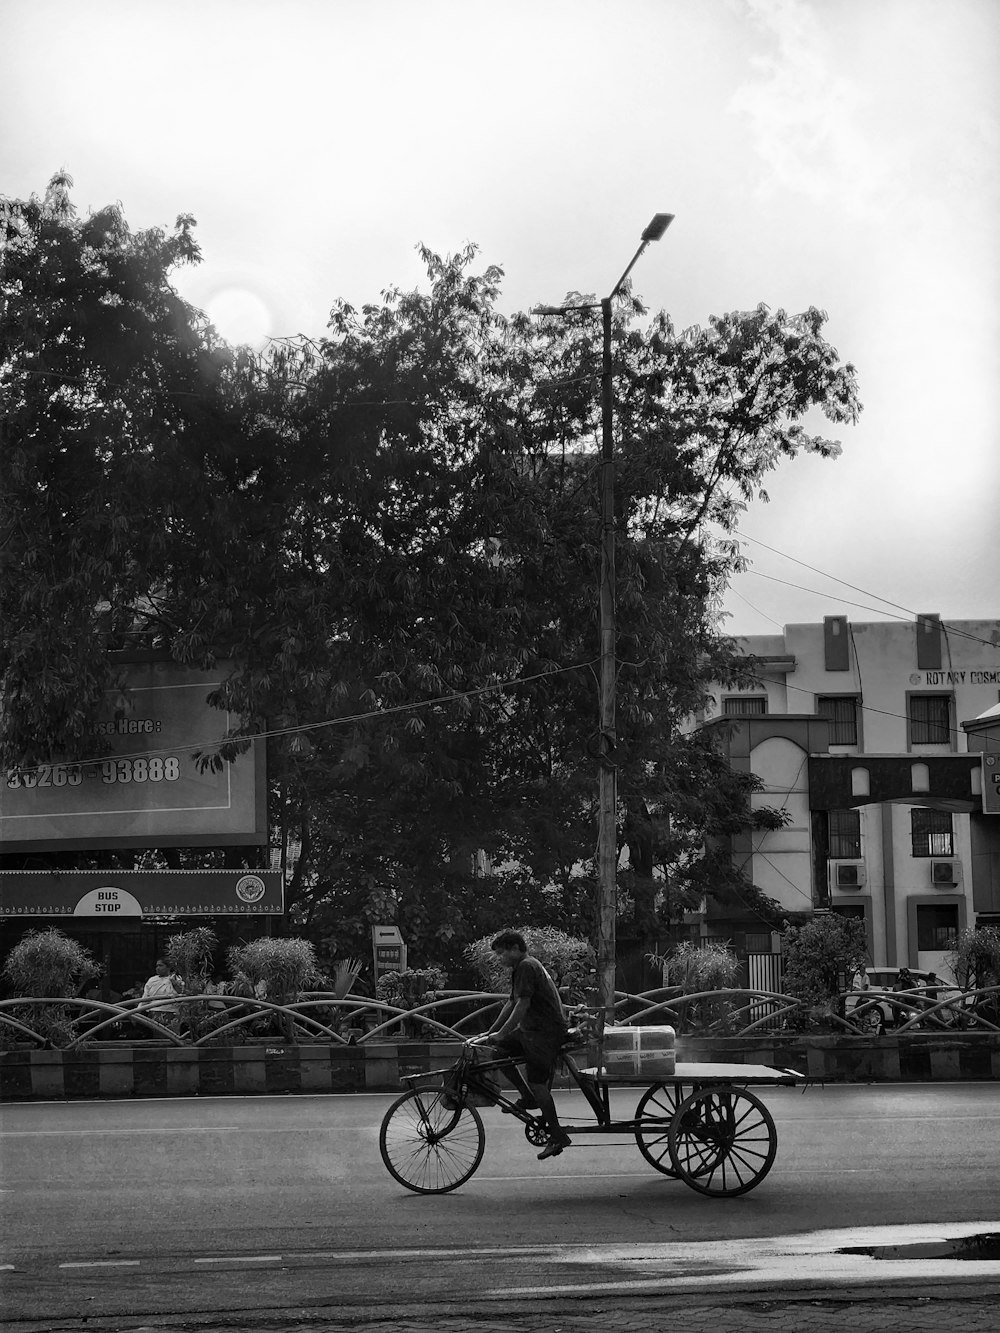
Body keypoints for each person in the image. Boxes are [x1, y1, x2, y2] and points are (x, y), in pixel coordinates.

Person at [468, 931, 572, 1160]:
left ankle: (557, 1136)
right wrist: (492, 1032)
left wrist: (502, 1032)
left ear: (515, 948)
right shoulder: (522, 968)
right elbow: (512, 1002)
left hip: (544, 1033)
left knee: (538, 1083)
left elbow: (522, 1006)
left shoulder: (526, 966)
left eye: (502, 953)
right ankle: (527, 1098)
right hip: (532, 1031)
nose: (500, 959)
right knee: (498, 1050)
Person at [140, 959, 182, 1029]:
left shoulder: (176, 978)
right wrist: (138, 1010)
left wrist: (174, 983)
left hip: (171, 1011)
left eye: (161, 965)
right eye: (157, 966)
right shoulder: (152, 980)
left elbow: (180, 994)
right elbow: (145, 997)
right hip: (154, 1011)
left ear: (168, 967)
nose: (158, 968)